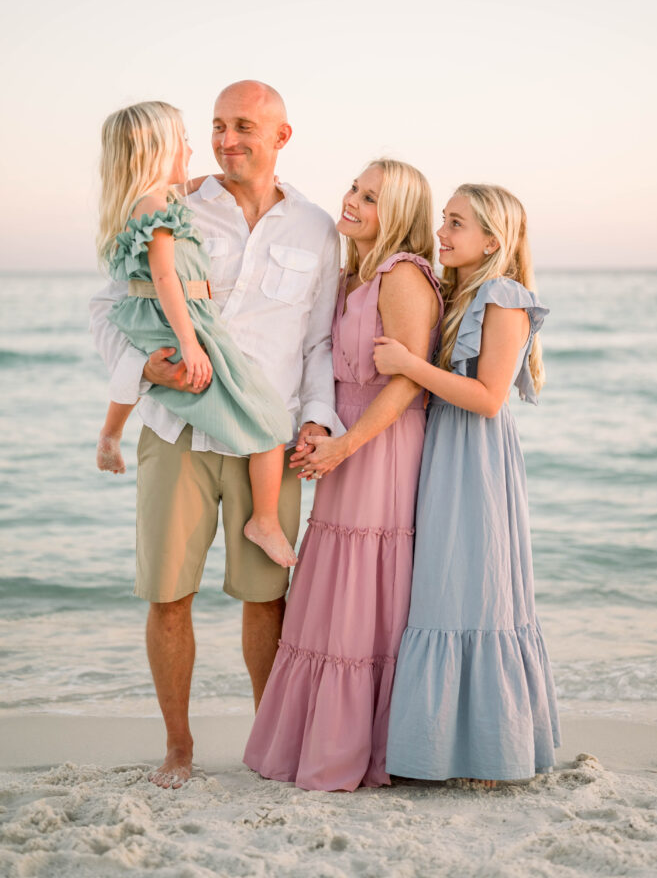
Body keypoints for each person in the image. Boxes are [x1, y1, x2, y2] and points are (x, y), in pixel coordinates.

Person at [90, 81, 341, 788]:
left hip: (270, 439)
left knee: (267, 597)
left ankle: (268, 743)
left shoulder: (317, 228)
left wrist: (318, 418)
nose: (227, 141)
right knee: (167, 596)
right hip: (178, 427)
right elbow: (110, 310)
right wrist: (144, 366)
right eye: (216, 127)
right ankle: (179, 748)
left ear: (281, 136)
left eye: (243, 128)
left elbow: (318, 342)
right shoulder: (173, 201)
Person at [243, 159, 443, 791]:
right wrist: (318, 428)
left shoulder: (402, 277)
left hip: (382, 446)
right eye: (355, 188)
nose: (351, 201)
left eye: (371, 198)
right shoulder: (352, 273)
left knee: (367, 590)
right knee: (334, 592)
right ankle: (323, 743)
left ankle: (364, 750)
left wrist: (348, 443)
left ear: (400, 215)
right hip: (346, 443)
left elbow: (409, 381)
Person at [374, 183, 560, 785]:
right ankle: (440, 749)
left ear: (491, 242)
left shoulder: (502, 297)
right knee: (442, 588)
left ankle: (490, 753)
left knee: (476, 590)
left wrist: (409, 366)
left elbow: (487, 398)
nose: (442, 232)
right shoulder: (458, 292)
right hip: (446, 451)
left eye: (457, 224)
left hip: (476, 457)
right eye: (444, 220)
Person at [95, 100, 296, 570]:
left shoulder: (159, 199)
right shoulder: (154, 204)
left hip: (168, 315)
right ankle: (263, 520)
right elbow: (166, 279)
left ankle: (110, 433)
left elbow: (188, 190)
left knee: (155, 373)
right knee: (270, 421)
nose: (193, 146)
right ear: (156, 149)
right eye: (183, 138)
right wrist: (190, 340)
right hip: (182, 317)